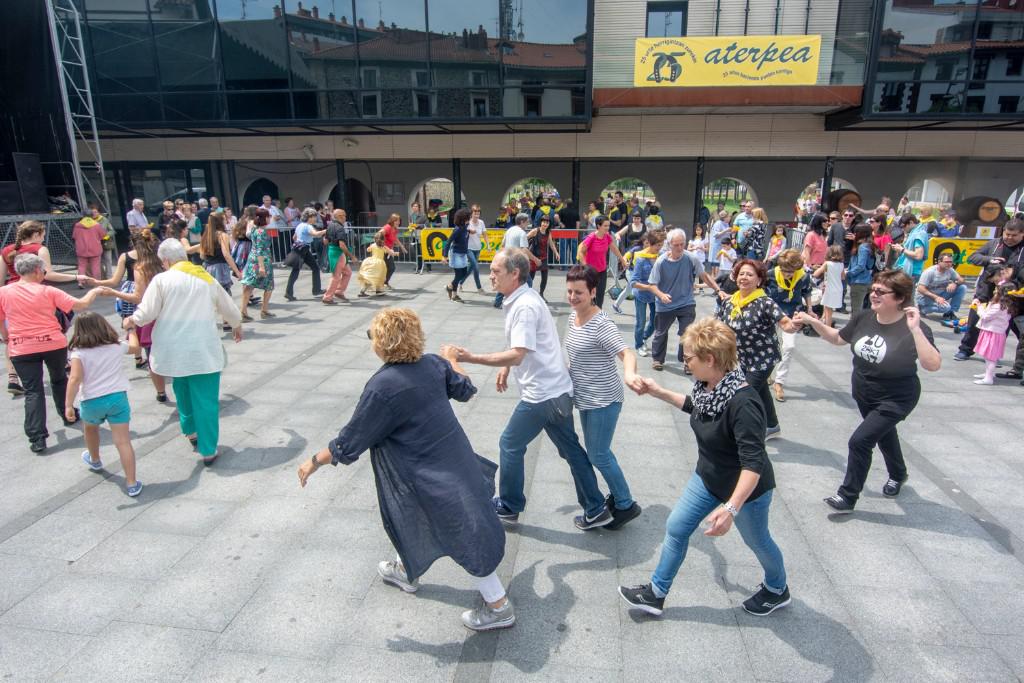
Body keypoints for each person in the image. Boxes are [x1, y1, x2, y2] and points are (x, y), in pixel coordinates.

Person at [296, 309, 514, 631]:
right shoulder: (432, 364)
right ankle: (405, 569)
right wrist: (451, 359)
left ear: (383, 343)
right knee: (415, 514)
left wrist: (313, 461)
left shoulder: (383, 386)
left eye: (372, 335)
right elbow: (465, 389)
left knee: (465, 532)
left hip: (429, 475)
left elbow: (350, 441)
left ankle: (499, 606)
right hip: (454, 461)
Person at [618, 318, 790, 617]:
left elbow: (753, 463)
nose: (685, 364)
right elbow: (698, 407)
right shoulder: (709, 385)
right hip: (709, 477)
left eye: (688, 359)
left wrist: (731, 509)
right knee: (676, 527)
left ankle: (777, 589)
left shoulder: (744, 403)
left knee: (757, 541)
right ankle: (656, 593)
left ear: (710, 359)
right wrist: (657, 391)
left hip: (746, 491)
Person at [448, 248, 613, 529]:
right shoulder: (523, 297)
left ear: (514, 274)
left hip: (542, 396)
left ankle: (509, 505)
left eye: (496, 271)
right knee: (571, 451)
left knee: (510, 443)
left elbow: (518, 354)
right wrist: (505, 366)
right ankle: (596, 508)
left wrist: (470, 357)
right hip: (557, 391)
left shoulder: (524, 306)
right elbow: (520, 345)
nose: (491, 276)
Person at [795, 270, 941, 513]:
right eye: (873, 289)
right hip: (865, 393)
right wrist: (813, 322)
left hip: (896, 398)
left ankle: (847, 496)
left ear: (900, 298)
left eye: (881, 292)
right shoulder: (864, 317)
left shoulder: (914, 327)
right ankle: (899, 473)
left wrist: (915, 330)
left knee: (860, 441)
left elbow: (932, 364)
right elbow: (837, 339)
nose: (873, 294)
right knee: (884, 434)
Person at [125, 239, 243, 465]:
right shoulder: (205, 277)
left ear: (165, 261)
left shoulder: (162, 280)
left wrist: (131, 320)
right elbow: (227, 305)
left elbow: (147, 312)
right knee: (206, 401)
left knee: (182, 390)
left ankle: (190, 431)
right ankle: (208, 449)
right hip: (202, 350)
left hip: (173, 351)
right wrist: (236, 324)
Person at [563, 265, 643, 529]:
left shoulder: (601, 324)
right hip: (586, 398)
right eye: (570, 291)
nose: (573, 297)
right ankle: (620, 498)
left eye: (579, 292)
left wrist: (630, 374)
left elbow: (626, 353)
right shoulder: (573, 317)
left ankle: (625, 504)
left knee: (598, 454)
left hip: (604, 399)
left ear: (593, 292)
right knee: (600, 452)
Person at [0, 254, 101, 452]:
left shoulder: (3, 292)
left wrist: (6, 336)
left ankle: (37, 437)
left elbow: (1, 320)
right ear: (37, 271)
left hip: (21, 347)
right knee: (59, 380)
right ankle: (67, 413)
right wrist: (95, 290)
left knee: (33, 391)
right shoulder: (48, 291)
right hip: (53, 343)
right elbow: (81, 304)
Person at [716, 259, 802, 439]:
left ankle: (738, 433)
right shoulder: (730, 302)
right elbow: (718, 326)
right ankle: (772, 426)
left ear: (759, 280)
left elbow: (784, 323)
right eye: (741, 274)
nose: (744, 277)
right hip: (742, 358)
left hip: (763, 359)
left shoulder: (765, 302)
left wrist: (794, 325)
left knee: (743, 395)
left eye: (749, 274)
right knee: (761, 391)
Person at [65, 312, 143, 497]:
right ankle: (132, 483)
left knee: (90, 429)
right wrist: (131, 330)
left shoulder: (78, 353)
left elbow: (75, 379)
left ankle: (95, 459)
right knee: (123, 441)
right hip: (117, 398)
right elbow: (135, 348)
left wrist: (68, 405)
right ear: (104, 326)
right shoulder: (116, 346)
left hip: (91, 400)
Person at [638, 227, 724, 372]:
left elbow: (704, 275)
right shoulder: (661, 262)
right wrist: (661, 295)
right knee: (661, 333)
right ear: (669, 245)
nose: (679, 248)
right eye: (676, 245)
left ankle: (686, 361)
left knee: (688, 333)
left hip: (686, 302)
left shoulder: (691, 258)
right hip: (665, 304)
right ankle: (658, 359)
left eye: (682, 244)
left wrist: (718, 290)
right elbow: (652, 285)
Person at [956, 219, 1024, 364]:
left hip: (1009, 295)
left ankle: (993, 355)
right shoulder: (994, 243)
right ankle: (965, 349)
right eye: (1007, 234)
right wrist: (989, 259)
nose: (1009, 238)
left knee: (1001, 327)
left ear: (1022, 234)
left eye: (1014, 235)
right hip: (986, 290)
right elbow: (973, 257)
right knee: (974, 321)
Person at [766, 249, 814, 402]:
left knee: (789, 346)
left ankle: (779, 382)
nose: (787, 274)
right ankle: (767, 373)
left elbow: (807, 292)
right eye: (784, 270)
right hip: (772, 314)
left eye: (791, 271)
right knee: (770, 346)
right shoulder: (770, 275)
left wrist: (810, 309)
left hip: (793, 314)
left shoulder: (803, 277)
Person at [577, 216, 627, 309]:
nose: (608, 228)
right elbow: (581, 252)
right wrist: (585, 267)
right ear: (598, 226)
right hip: (590, 272)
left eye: (608, 225)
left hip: (602, 271)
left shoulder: (607, 236)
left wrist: (622, 260)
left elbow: (614, 248)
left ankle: (597, 314)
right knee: (590, 297)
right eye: (605, 226)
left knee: (600, 297)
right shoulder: (591, 237)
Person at [973, 283, 1017, 386]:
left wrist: (979, 307)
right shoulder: (1008, 305)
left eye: (997, 290)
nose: (994, 291)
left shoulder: (998, 306)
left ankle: (988, 378)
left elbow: (985, 316)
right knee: (989, 356)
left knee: (990, 357)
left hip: (992, 333)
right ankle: (988, 374)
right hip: (995, 332)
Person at [629, 230, 664, 357]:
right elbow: (633, 282)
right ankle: (639, 345)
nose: (660, 248)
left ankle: (644, 337)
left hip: (656, 295)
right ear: (650, 243)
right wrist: (648, 287)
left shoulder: (661, 257)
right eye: (658, 245)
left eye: (661, 245)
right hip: (641, 294)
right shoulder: (641, 259)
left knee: (655, 321)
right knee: (641, 321)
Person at [493, 213, 539, 308]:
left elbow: (503, 245)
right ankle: (525, 302)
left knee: (506, 280)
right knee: (528, 282)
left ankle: (498, 301)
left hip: (507, 259)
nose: (528, 224)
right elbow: (524, 249)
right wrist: (535, 259)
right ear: (522, 222)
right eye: (527, 222)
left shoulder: (510, 230)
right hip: (517, 262)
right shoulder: (521, 233)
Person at [239, 208, 276, 321]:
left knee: (249, 285)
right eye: (269, 216)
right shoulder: (261, 232)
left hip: (252, 259)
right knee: (269, 285)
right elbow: (260, 249)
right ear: (265, 218)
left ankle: (243, 311)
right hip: (262, 260)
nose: (270, 218)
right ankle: (264, 310)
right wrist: (261, 266)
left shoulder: (255, 229)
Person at [284, 208, 325, 301]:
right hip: (303, 248)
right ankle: (289, 292)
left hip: (300, 248)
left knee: (314, 268)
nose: (315, 219)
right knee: (297, 270)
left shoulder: (300, 225)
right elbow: (315, 234)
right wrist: (325, 231)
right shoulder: (308, 226)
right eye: (314, 217)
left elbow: (294, 237)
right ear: (309, 217)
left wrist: (301, 240)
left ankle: (316, 289)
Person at [200, 212, 243, 296]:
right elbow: (226, 255)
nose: (226, 221)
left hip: (207, 267)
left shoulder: (206, 235)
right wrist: (237, 271)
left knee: (212, 295)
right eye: (224, 219)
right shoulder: (222, 235)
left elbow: (202, 255)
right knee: (224, 296)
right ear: (220, 221)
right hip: (220, 268)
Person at [915, 253, 967, 320]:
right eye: (946, 262)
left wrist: (955, 283)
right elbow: (920, 288)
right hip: (925, 297)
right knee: (946, 307)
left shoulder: (950, 270)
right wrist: (936, 297)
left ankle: (950, 313)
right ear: (939, 262)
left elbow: (962, 280)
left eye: (950, 262)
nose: (949, 264)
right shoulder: (930, 272)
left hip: (940, 294)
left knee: (962, 288)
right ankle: (922, 309)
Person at [322, 209, 358, 305]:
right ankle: (327, 297)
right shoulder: (339, 228)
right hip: (338, 253)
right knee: (336, 276)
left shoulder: (330, 225)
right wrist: (352, 256)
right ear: (339, 216)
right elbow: (342, 245)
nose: (345, 217)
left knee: (347, 272)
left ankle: (339, 291)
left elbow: (325, 241)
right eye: (344, 215)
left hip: (333, 251)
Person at [443, 208, 472, 304]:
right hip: (456, 254)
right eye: (469, 217)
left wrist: (469, 231)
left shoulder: (465, 227)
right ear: (464, 218)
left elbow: (465, 233)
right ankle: (452, 292)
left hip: (463, 253)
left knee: (464, 273)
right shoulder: (457, 229)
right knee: (459, 275)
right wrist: (444, 256)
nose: (470, 218)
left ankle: (450, 288)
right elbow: (448, 242)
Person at [526, 215, 559, 299]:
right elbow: (525, 238)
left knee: (544, 277)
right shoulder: (535, 231)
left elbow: (551, 244)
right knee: (531, 277)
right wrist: (524, 249)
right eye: (544, 222)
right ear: (541, 222)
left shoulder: (548, 233)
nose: (545, 224)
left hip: (544, 257)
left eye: (547, 222)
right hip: (534, 257)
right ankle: (526, 294)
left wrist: (556, 253)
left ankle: (541, 294)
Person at [814, 245, 846, 329]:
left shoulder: (827, 263)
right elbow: (843, 277)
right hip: (838, 288)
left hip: (829, 288)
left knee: (828, 310)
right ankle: (823, 321)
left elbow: (816, 274)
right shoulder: (841, 264)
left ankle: (828, 328)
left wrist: (819, 268)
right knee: (827, 307)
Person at [847, 224, 877, 313]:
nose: (854, 234)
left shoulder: (862, 247)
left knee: (856, 311)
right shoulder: (870, 245)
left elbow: (860, 266)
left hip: (859, 281)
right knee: (867, 310)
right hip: (868, 280)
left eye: (856, 232)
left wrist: (848, 273)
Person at [892, 214, 929, 284]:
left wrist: (902, 250)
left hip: (912, 271)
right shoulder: (913, 232)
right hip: (905, 269)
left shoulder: (919, 234)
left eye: (903, 226)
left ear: (911, 222)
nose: (902, 229)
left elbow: (918, 255)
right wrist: (899, 248)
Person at [358, 231, 393, 297]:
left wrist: (370, 247)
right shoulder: (384, 247)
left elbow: (368, 250)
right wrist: (392, 252)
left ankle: (364, 291)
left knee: (371, 277)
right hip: (379, 264)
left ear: (375, 239)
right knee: (378, 277)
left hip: (371, 262)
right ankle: (378, 290)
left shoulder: (373, 245)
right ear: (383, 240)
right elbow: (390, 253)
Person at [381, 213, 408, 289]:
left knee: (390, 268)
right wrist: (386, 248)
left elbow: (395, 238)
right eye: (396, 221)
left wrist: (402, 247)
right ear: (392, 221)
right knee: (389, 267)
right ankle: (383, 283)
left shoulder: (395, 229)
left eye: (399, 221)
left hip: (388, 252)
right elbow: (378, 236)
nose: (398, 222)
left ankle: (384, 283)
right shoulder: (387, 227)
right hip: (382, 251)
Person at [465, 204, 486, 292]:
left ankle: (459, 282)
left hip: (478, 248)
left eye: (478, 212)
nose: (477, 213)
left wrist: (488, 244)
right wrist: (469, 231)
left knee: (470, 269)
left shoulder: (481, 222)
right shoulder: (467, 222)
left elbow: (484, 234)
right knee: (476, 267)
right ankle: (479, 288)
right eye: (475, 212)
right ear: (471, 213)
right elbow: (462, 231)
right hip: (468, 248)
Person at [709, 210, 731, 279]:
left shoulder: (726, 224)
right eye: (729, 217)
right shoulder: (718, 223)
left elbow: (726, 234)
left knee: (721, 262)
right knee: (716, 262)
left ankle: (718, 278)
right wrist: (726, 230)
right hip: (717, 245)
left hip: (724, 246)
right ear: (724, 217)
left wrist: (731, 232)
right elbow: (716, 235)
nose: (730, 218)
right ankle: (715, 278)